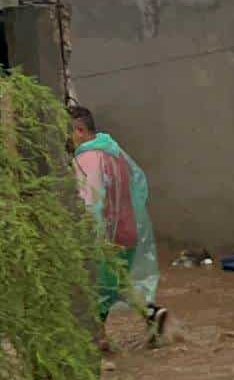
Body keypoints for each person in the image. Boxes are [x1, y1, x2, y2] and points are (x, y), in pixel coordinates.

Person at [70, 105, 167, 351]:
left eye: (67, 132)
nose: (66, 140)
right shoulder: (114, 151)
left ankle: (99, 343)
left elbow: (89, 203)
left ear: (80, 130)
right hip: (128, 230)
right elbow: (139, 183)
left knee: (95, 288)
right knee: (119, 282)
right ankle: (152, 314)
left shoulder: (87, 160)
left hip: (105, 236)